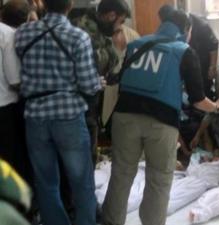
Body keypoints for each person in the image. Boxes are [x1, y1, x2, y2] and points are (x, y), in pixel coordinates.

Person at [101, 8, 219, 225]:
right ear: (186, 30)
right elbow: (199, 100)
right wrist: (217, 107)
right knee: (158, 180)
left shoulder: (136, 44)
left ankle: (110, 222)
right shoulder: (184, 51)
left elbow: (120, 79)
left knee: (121, 175)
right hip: (160, 124)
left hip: (124, 118)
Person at [14, 0, 102, 224]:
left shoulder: (23, 33)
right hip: (69, 117)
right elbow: (88, 85)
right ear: (69, 6)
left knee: (45, 183)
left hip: (34, 116)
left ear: (43, 4)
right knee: (81, 182)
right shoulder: (78, 36)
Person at [71, 0, 131, 165]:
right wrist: (116, 49)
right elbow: (97, 64)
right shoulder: (86, 28)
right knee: (84, 157)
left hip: (86, 100)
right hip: (80, 102)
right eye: (120, 22)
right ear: (111, 16)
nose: (120, 27)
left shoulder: (93, 26)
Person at [0, 0, 32, 184]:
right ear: (25, 20)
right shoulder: (9, 36)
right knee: (11, 162)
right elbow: (14, 80)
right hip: (6, 109)